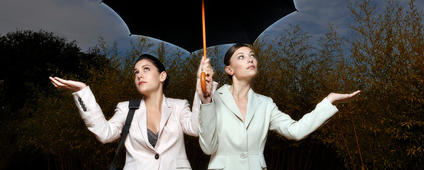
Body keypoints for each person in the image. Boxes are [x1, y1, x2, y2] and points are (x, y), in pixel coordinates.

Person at [197, 43, 361, 170]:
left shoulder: (265, 104)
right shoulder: (212, 98)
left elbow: (295, 131)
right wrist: (206, 102)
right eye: (241, 57)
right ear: (229, 70)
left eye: (252, 55)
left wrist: (329, 101)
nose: (250, 59)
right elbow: (208, 147)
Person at [50, 53, 216, 170]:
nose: (139, 75)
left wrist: (204, 95)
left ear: (162, 76)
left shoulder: (179, 106)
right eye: (136, 72)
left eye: (146, 69)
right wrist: (83, 92)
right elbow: (105, 134)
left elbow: (195, 129)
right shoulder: (126, 108)